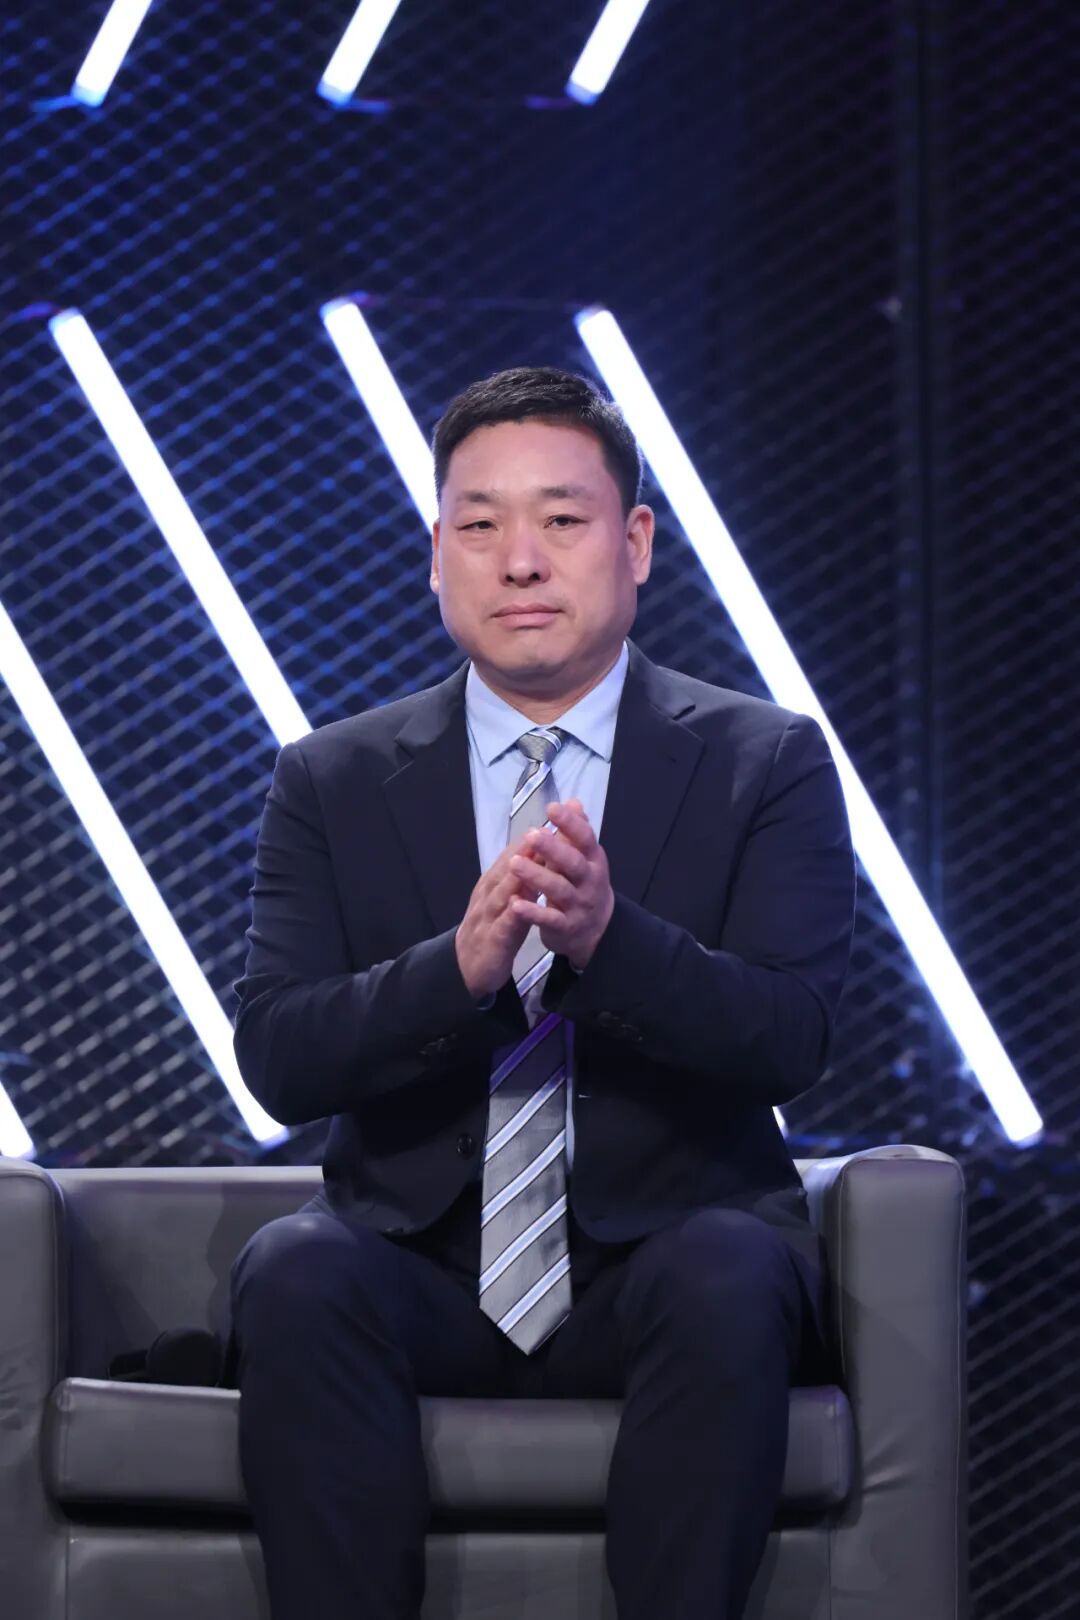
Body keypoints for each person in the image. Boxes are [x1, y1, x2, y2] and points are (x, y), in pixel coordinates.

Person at [228, 365, 857, 1620]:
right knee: (295, 1271)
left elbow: (792, 1037)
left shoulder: (766, 758)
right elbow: (280, 1056)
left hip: (667, 1252)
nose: (520, 559)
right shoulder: (330, 778)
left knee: (730, 1273)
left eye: (562, 519)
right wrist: (456, 972)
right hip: (417, 1260)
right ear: (436, 555)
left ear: (636, 543)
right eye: (480, 523)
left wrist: (610, 944)